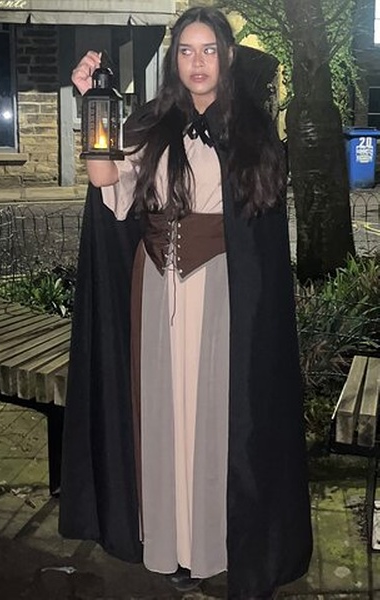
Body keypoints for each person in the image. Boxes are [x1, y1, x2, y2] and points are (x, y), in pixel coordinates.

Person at [58, 6, 313, 600]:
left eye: (209, 50)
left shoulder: (251, 131)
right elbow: (105, 181)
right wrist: (93, 104)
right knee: (162, 416)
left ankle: (211, 546)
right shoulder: (151, 124)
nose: (197, 63)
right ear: (174, 60)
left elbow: (259, 232)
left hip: (220, 294)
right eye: (186, 51)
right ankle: (169, 542)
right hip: (155, 290)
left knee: (213, 420)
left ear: (227, 57)